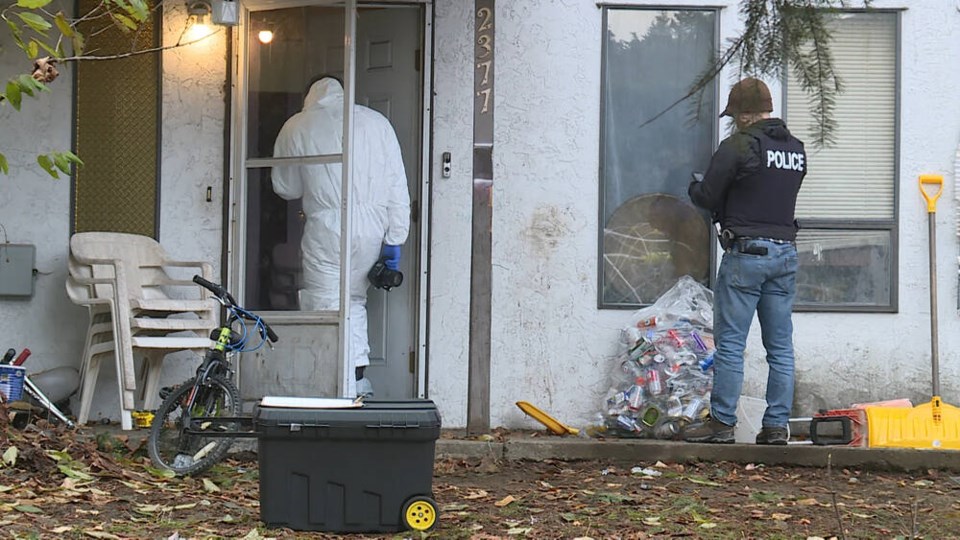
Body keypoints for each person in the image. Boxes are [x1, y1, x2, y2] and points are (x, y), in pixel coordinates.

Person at [683, 77, 806, 445]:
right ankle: (775, 427)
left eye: (734, 115)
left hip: (747, 255)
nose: (733, 122)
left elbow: (707, 195)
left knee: (732, 343)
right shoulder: (796, 149)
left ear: (743, 114)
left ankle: (721, 424)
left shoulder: (738, 145)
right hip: (785, 254)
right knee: (780, 347)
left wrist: (695, 187)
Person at [271, 75, 410, 398]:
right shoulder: (377, 122)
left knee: (324, 304)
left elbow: (286, 187)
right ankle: (357, 380)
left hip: (327, 225)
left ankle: (326, 384)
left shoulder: (297, 125)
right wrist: (394, 239)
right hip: (374, 228)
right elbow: (396, 185)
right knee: (354, 302)